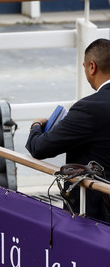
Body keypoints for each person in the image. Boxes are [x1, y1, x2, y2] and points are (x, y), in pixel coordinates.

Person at [26, 38, 110, 222]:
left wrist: (36, 126)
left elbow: (39, 148)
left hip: (97, 217)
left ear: (92, 67)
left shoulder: (89, 108)